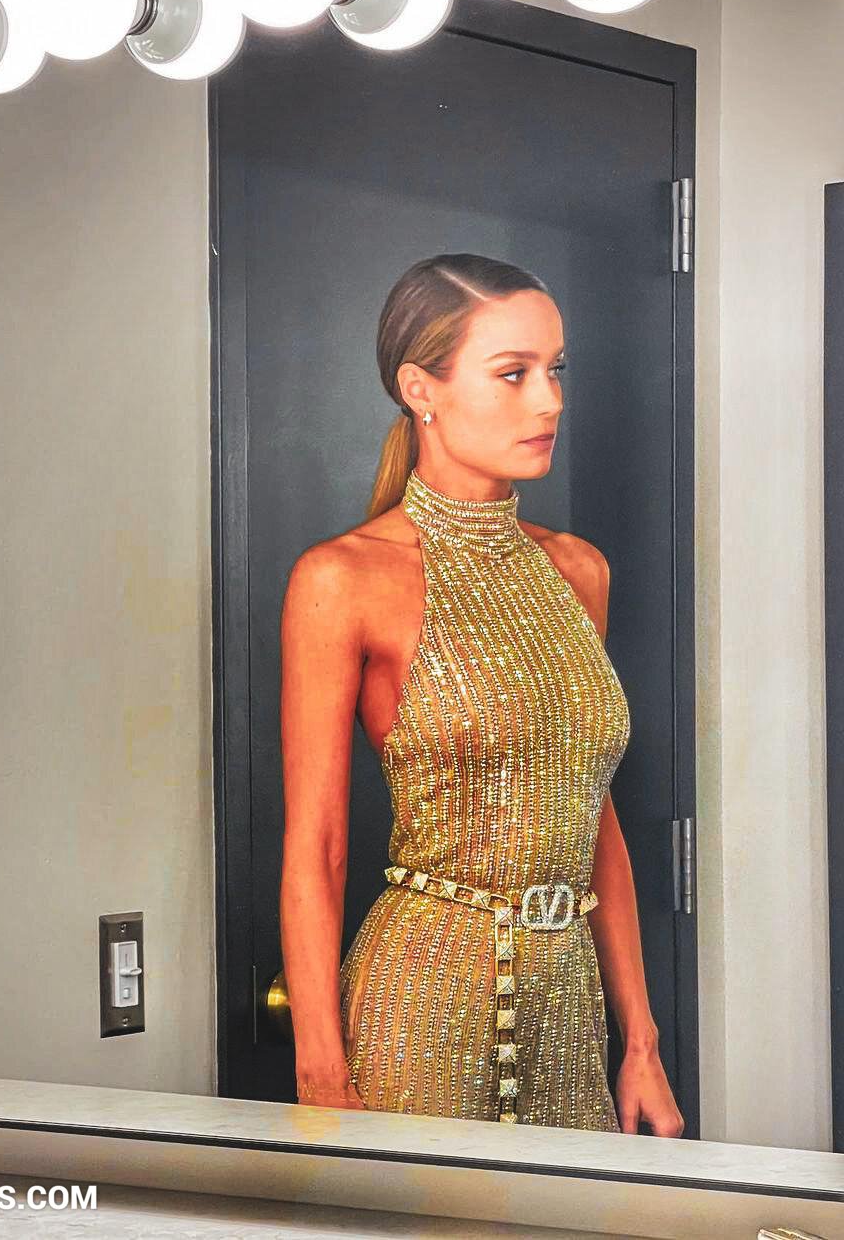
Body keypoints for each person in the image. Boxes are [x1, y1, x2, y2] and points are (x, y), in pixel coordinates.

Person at [278, 254, 684, 1134]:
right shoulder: (342, 579)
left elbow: (593, 817)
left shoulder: (578, 571)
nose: (550, 401)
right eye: (513, 374)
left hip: (568, 1012)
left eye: (555, 370)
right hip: (419, 1006)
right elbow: (317, 844)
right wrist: (321, 1072)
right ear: (420, 389)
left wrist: (641, 1042)